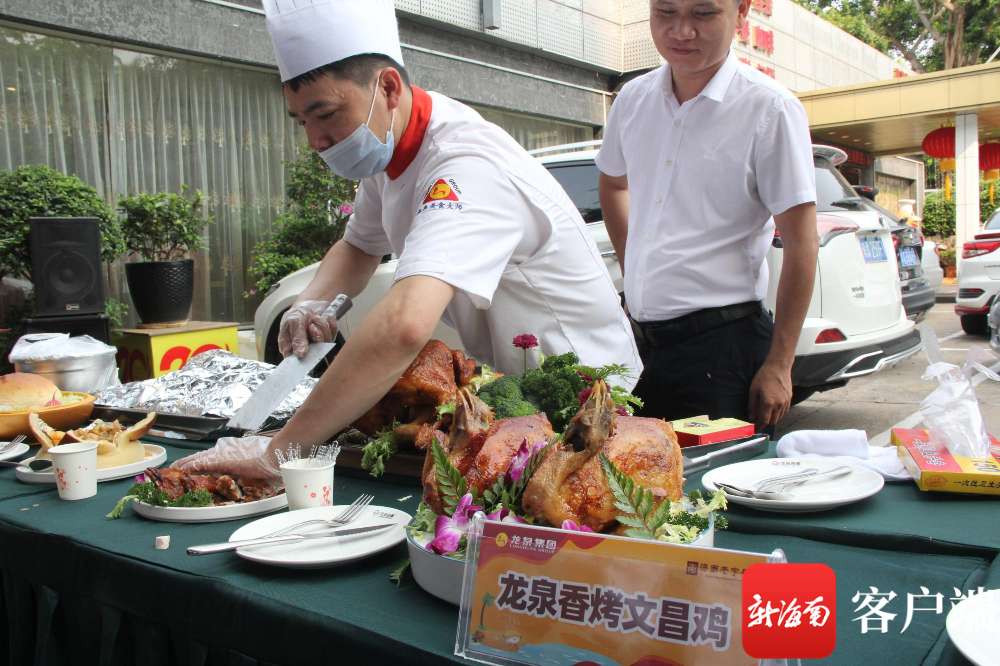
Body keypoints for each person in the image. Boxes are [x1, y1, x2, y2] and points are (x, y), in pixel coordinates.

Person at [177, 0, 639, 478]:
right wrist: (309, 303)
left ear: (389, 88)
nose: (315, 139)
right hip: (518, 399)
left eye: (326, 114)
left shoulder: (464, 165)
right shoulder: (390, 146)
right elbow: (360, 245)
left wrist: (278, 453)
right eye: (301, 122)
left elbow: (406, 326)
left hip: (593, 400)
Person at [597, 0, 819, 432]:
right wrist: (635, 271)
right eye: (666, 12)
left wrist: (780, 362)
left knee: (718, 476)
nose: (682, 31)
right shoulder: (633, 99)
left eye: (703, 14)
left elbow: (801, 243)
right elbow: (613, 185)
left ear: (741, 12)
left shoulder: (770, 108)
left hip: (724, 350)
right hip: (640, 350)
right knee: (631, 475)